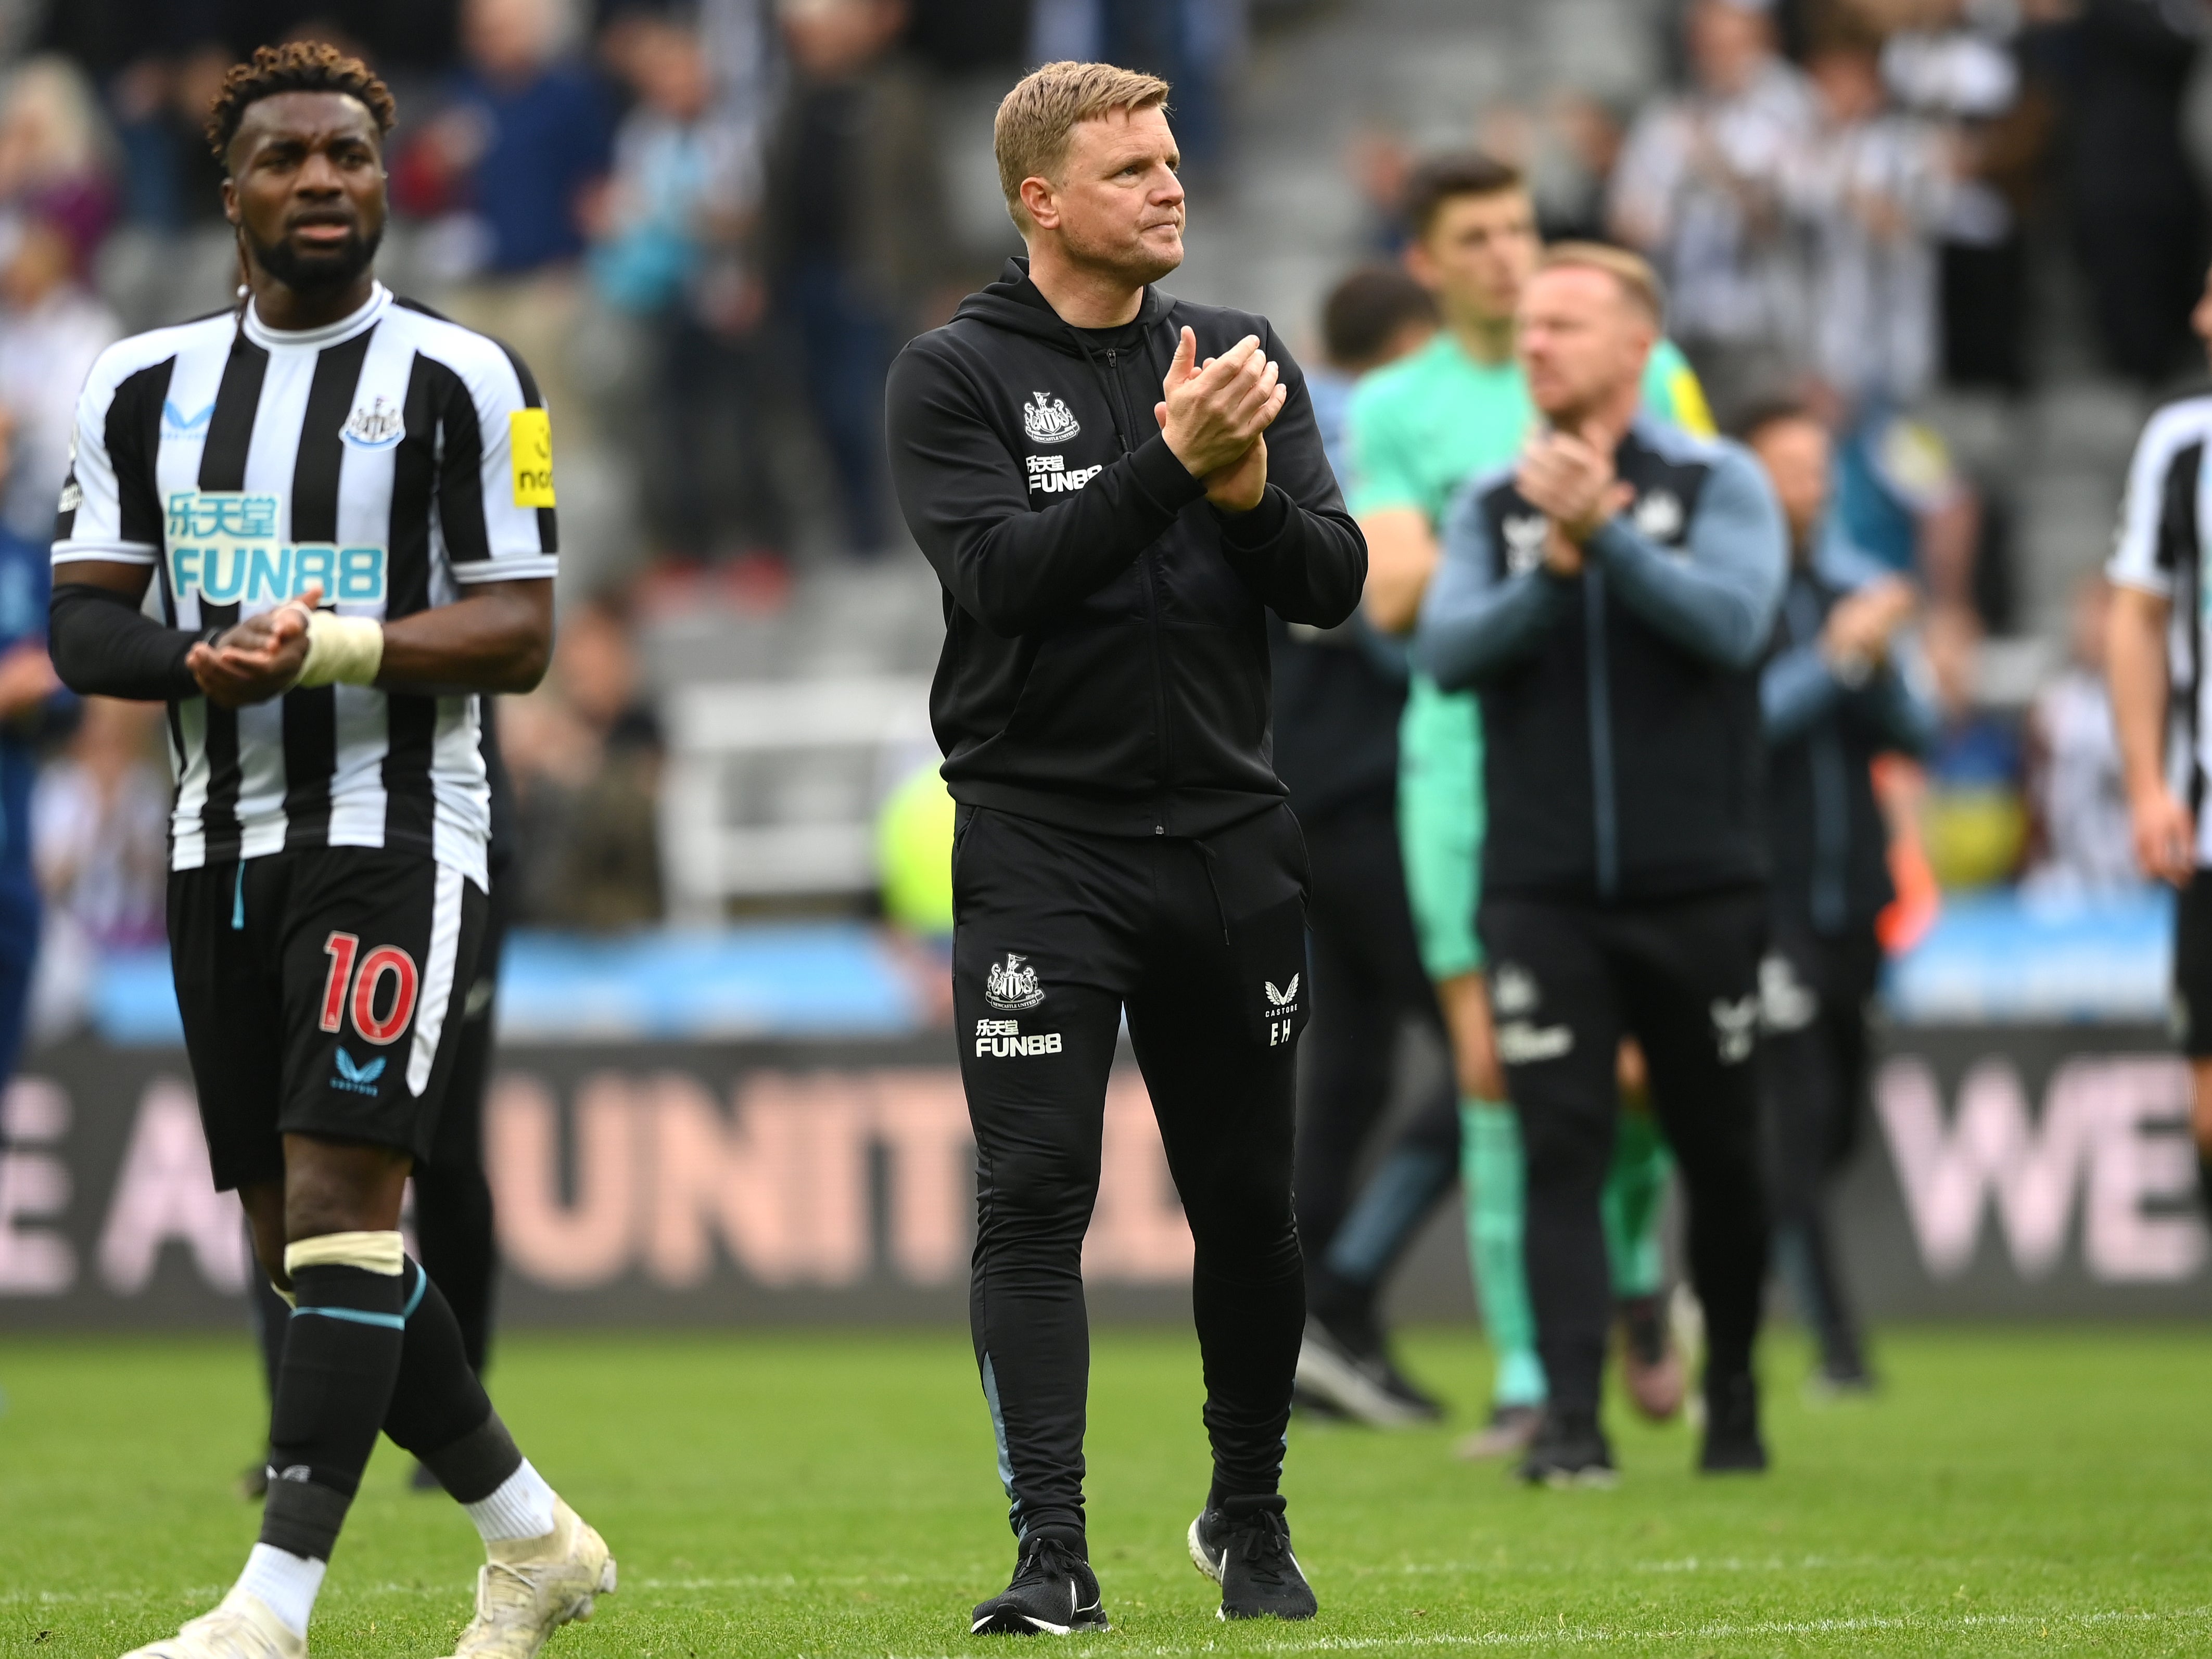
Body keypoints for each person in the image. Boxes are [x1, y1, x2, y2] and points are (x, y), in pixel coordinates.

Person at [46, 44, 611, 1659]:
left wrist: (332, 649)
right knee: (293, 1238)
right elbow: (89, 621)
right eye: (287, 158)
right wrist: (198, 666)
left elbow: (519, 633)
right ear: (227, 190)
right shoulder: (136, 384)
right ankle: (533, 1539)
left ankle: (269, 1609)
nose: (321, 182)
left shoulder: (473, 377)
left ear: (386, 177)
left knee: (348, 1192)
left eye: (350, 156)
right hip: (219, 839)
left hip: (400, 829)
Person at [885, 59, 1364, 1630]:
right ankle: (1052, 1553)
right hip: (1044, 845)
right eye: (1133, 169)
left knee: (1249, 1205)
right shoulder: (948, 376)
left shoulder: (1237, 353)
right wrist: (1176, 466)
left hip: (1229, 842)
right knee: (1033, 1196)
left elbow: (1329, 581)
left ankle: (1251, 1512)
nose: (1171, 187)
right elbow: (1007, 578)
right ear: (1039, 200)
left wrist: (1236, 492)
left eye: (1172, 162)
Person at [1347, 152, 1701, 1459]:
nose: (1509, 254)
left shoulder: (1647, 371)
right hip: (1462, 768)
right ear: (1427, 262)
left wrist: (1483, 536)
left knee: (1642, 1075)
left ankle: (1629, 1280)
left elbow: (1703, 531)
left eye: (1521, 227)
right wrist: (1531, 531)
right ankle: (1525, 1374)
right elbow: (1390, 596)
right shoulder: (1393, 404)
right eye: (1477, 236)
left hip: (1623, 761)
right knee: (1496, 1074)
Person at [1416, 243, 1787, 1484]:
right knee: (1557, 1144)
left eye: (1565, 324)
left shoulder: (1718, 480)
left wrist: (1612, 543)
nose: (1535, 345)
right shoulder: (1490, 504)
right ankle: (1571, 1417)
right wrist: (1555, 566)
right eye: (1527, 327)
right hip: (1542, 890)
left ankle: (1731, 1383)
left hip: (1699, 886)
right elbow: (1447, 652)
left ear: (1638, 345)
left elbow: (1734, 628)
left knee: (1721, 1151)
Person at [1264, 262, 1455, 1428]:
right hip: (1380, 794)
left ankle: (1309, 1329)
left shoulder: (1285, 427)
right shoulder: (1355, 446)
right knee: (1491, 1053)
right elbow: (1366, 618)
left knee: (1350, 1072)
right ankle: (1337, 1296)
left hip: (1296, 793)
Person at [1740, 400, 1936, 1394]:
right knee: (1802, 1117)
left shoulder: (1847, 590)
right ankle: (1839, 1348)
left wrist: (1883, 666)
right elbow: (1751, 723)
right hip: (1763, 900)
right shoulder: (1731, 592)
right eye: (1789, 468)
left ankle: (1725, 1277)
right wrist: (1841, 658)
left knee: (1842, 1117)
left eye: (1819, 469)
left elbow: (1917, 734)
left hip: (1854, 897)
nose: (1809, 486)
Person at [763, 0, 959, 555]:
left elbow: (930, 196)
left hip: (870, 278)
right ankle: (853, 524)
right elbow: (777, 197)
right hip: (804, 280)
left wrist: (942, 280)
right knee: (818, 409)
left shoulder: (901, 93)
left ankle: (882, 528)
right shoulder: (794, 100)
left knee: (860, 404)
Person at [2106, 261, 2212, 1218]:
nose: (2201, 316)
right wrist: (2148, 783)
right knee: (2211, 1106)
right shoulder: (2185, 442)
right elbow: (2138, 616)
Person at [1607, 0, 1816, 424]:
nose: (1714, 54)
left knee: (1760, 444)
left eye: (1728, 40)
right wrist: (1647, 222)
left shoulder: (1793, 109)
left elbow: (1791, 221)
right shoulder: (1670, 115)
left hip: (1762, 328)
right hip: (1684, 322)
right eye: (1706, 42)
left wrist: (1716, 168)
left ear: (1760, 39)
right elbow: (1625, 216)